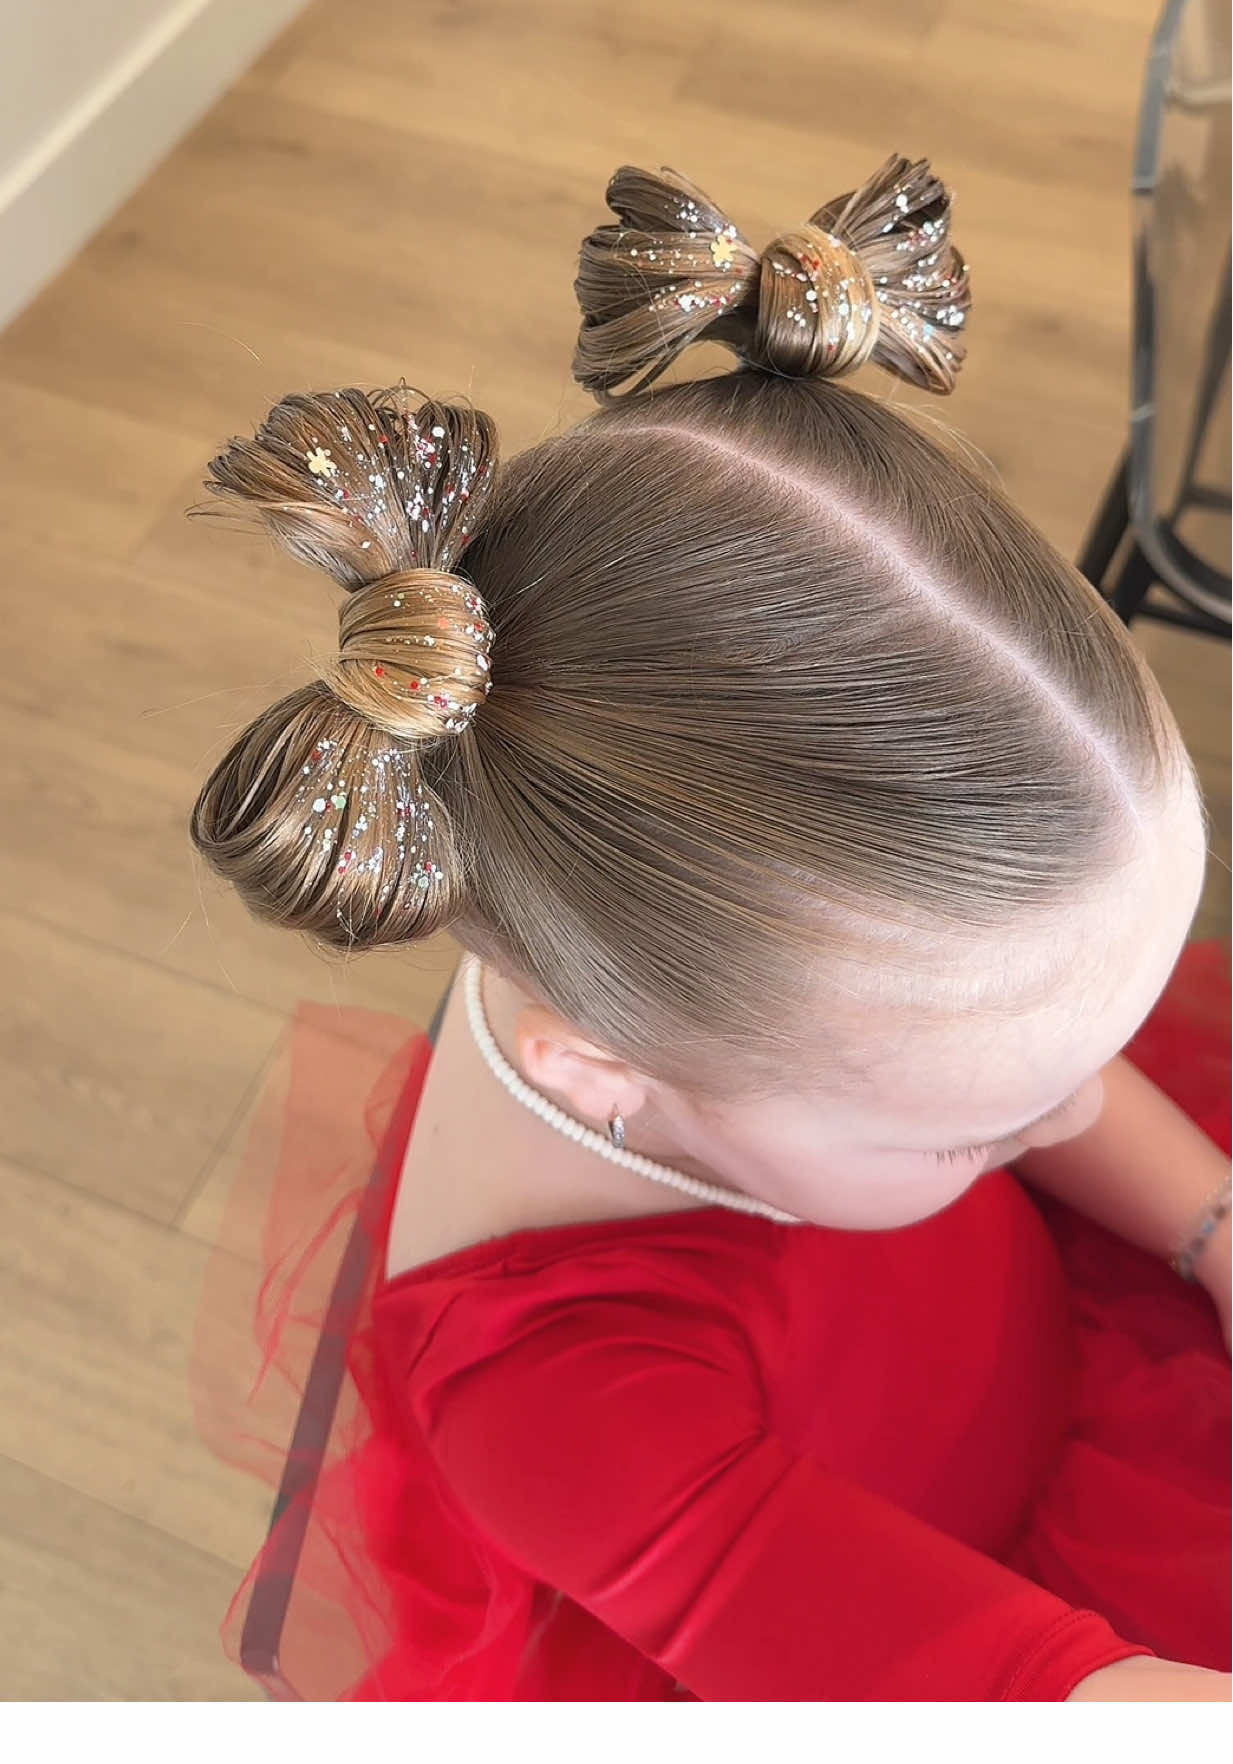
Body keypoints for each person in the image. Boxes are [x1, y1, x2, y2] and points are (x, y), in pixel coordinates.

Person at [189, 155, 1231, 1701]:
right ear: (600, 1063)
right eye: (994, 1123)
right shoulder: (554, 1415)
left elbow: (1050, 1098)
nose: (1072, 1107)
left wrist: (1208, 1224)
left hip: (1025, 1343)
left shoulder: (710, 996)